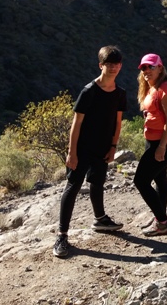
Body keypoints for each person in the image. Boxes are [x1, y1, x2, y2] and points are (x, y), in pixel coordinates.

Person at [53, 45, 128, 258]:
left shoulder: (120, 93)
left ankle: (100, 219)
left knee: (97, 182)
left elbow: (118, 122)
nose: (113, 68)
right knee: (73, 186)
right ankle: (62, 235)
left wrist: (113, 147)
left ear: (121, 66)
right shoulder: (89, 91)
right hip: (82, 148)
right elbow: (76, 124)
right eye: (109, 64)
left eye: (116, 64)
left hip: (103, 147)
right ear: (100, 65)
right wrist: (72, 153)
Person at [133, 53, 167, 236]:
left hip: (163, 143)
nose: (147, 70)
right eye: (143, 67)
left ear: (160, 68)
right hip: (153, 141)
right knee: (160, 178)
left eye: (151, 67)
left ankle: (163, 222)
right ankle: (160, 217)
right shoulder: (152, 87)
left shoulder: (166, 89)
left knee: (141, 181)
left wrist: (161, 146)